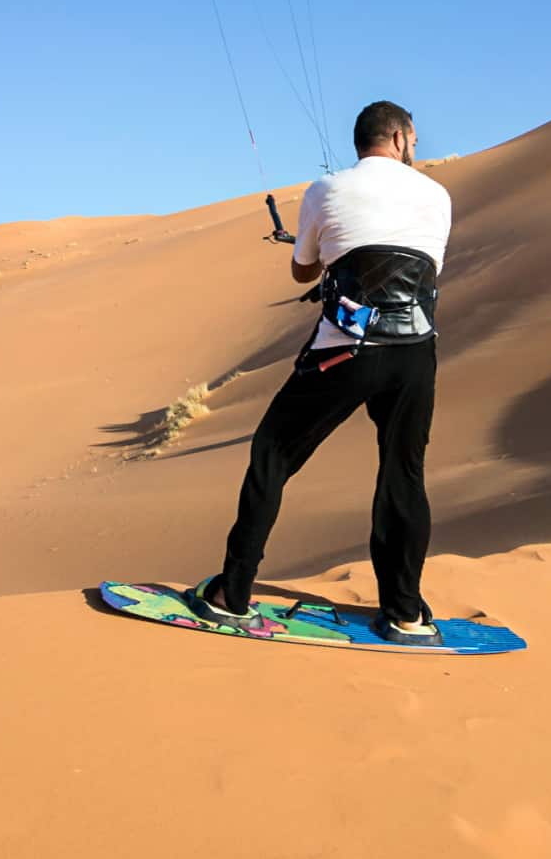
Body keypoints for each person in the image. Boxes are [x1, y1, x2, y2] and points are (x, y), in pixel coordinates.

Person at [191, 101, 452, 644]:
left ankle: (231, 593)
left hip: (346, 352)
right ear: (401, 139)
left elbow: (300, 270)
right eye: (415, 141)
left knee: (272, 452)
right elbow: (418, 268)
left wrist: (316, 250)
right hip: (415, 355)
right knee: (403, 474)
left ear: (362, 142)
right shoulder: (437, 196)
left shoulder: (326, 190)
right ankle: (406, 612)